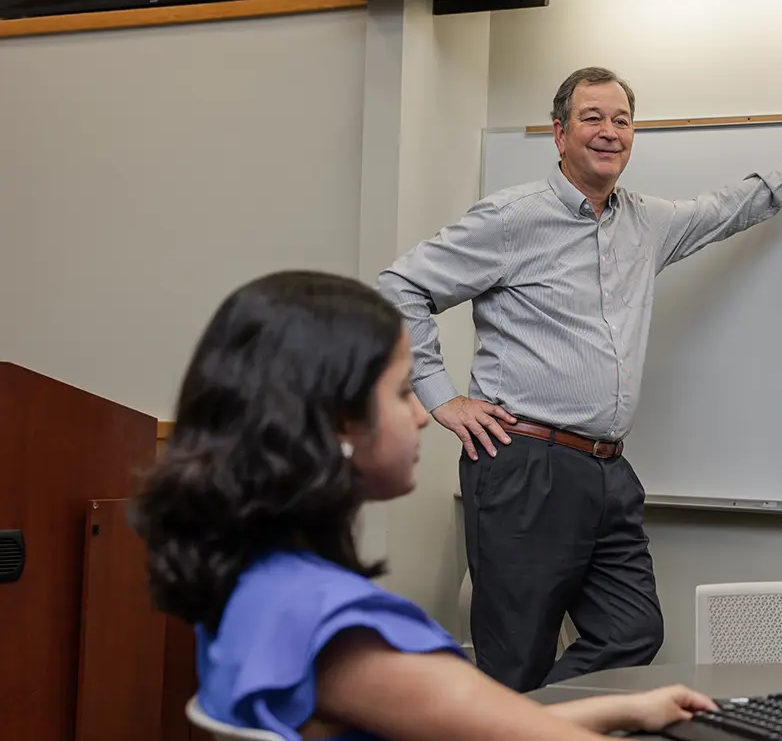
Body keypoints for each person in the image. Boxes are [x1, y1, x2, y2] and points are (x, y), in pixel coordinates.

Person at [377, 67, 782, 691]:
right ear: (559, 133)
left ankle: (528, 719)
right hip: (523, 463)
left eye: (622, 121)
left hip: (607, 471)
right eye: (592, 118)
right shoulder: (511, 217)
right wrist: (442, 397)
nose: (609, 132)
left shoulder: (645, 223)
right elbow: (399, 288)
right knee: (515, 655)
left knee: (632, 631)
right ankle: (514, 719)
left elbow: (729, 208)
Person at [132, 271, 718, 740]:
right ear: (336, 422)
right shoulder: (345, 633)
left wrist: (629, 711)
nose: (420, 414)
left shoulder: (257, 587)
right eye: (403, 391)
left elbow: (489, 729)